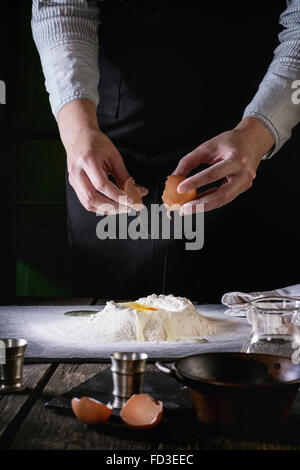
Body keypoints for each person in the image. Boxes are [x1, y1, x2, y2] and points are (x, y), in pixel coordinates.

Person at [32, 0, 300, 301]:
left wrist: (258, 131)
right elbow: (60, 5)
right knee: (115, 326)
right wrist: (78, 130)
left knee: (257, 326)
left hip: (258, 131)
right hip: (114, 146)